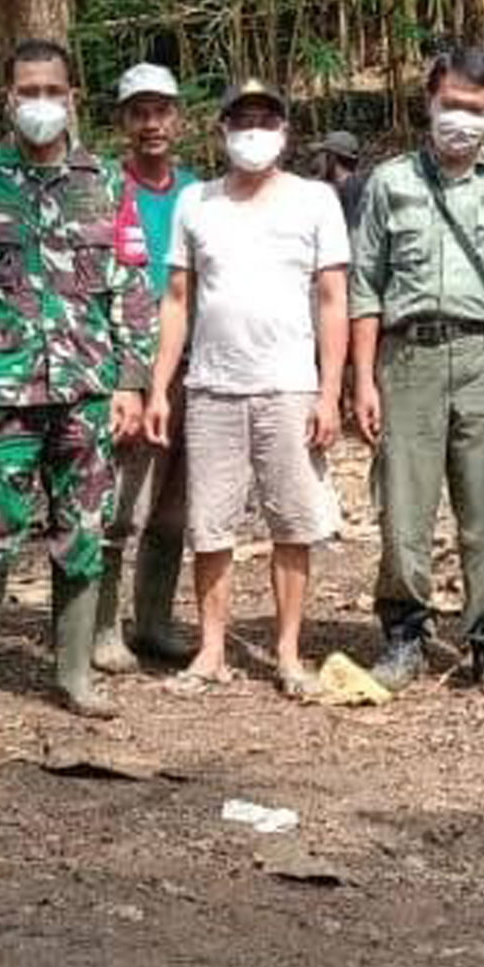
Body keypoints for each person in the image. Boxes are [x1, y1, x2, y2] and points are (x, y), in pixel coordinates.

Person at [0, 39, 156, 724]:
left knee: (82, 531)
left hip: (86, 388)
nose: (41, 103)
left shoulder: (107, 182)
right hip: (0, 392)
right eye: (29, 91)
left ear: (73, 97)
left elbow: (131, 289)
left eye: (53, 90)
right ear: (8, 98)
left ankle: (75, 673)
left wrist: (132, 381)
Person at [349, 46, 484, 691]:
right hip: (407, 358)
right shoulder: (390, 183)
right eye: (451, 105)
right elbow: (366, 290)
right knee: (402, 507)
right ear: (428, 102)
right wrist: (362, 379)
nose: (461, 120)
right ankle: (404, 634)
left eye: (475, 109)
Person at [144, 77, 350, 697]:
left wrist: (329, 390)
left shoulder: (315, 201)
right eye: (241, 119)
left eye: (265, 119)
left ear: (285, 131)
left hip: (289, 385)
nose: (253, 130)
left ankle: (287, 652)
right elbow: (177, 300)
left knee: (292, 520)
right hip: (211, 386)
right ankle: (210, 650)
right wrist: (159, 387)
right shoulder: (196, 202)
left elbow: (334, 298)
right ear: (222, 130)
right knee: (210, 525)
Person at [94, 61, 200, 672]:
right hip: (127, 367)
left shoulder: (198, 193)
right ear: (123, 122)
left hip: (191, 365)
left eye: (162, 111)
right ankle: (102, 627)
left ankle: (154, 620)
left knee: (174, 506)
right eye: (140, 112)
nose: (151, 123)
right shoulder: (106, 190)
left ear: (178, 119)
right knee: (117, 505)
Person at [318, 131, 367, 230]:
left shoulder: (352, 188)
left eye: (324, 154)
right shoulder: (359, 185)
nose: (320, 160)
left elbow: (352, 231)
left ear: (332, 158)